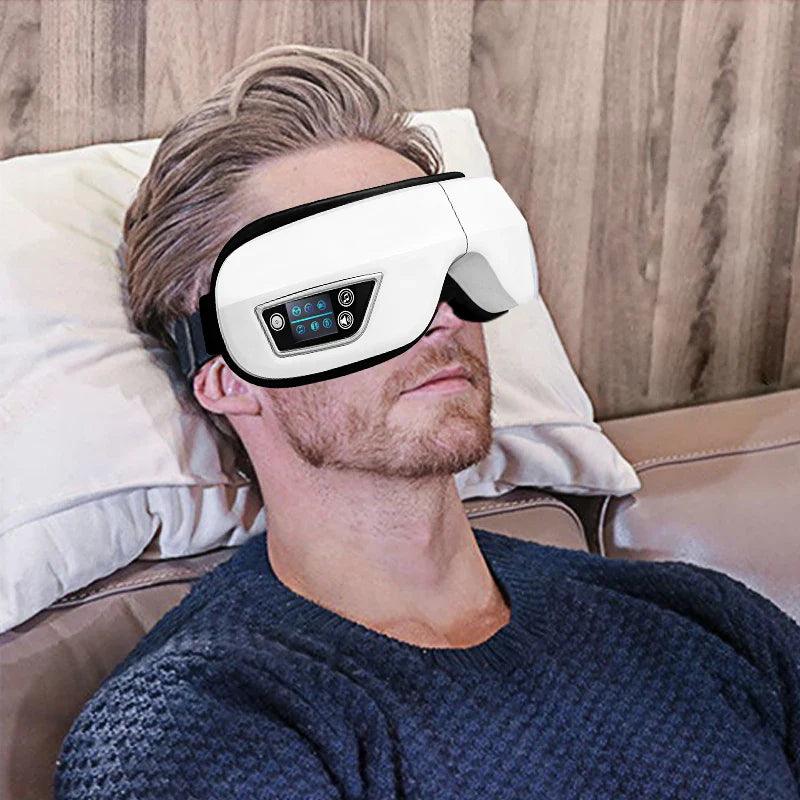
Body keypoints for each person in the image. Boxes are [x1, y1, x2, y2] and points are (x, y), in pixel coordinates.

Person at [55, 44, 800, 800]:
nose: (442, 315)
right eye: (345, 291)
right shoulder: (198, 730)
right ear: (226, 377)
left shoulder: (694, 620)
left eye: (442, 263)